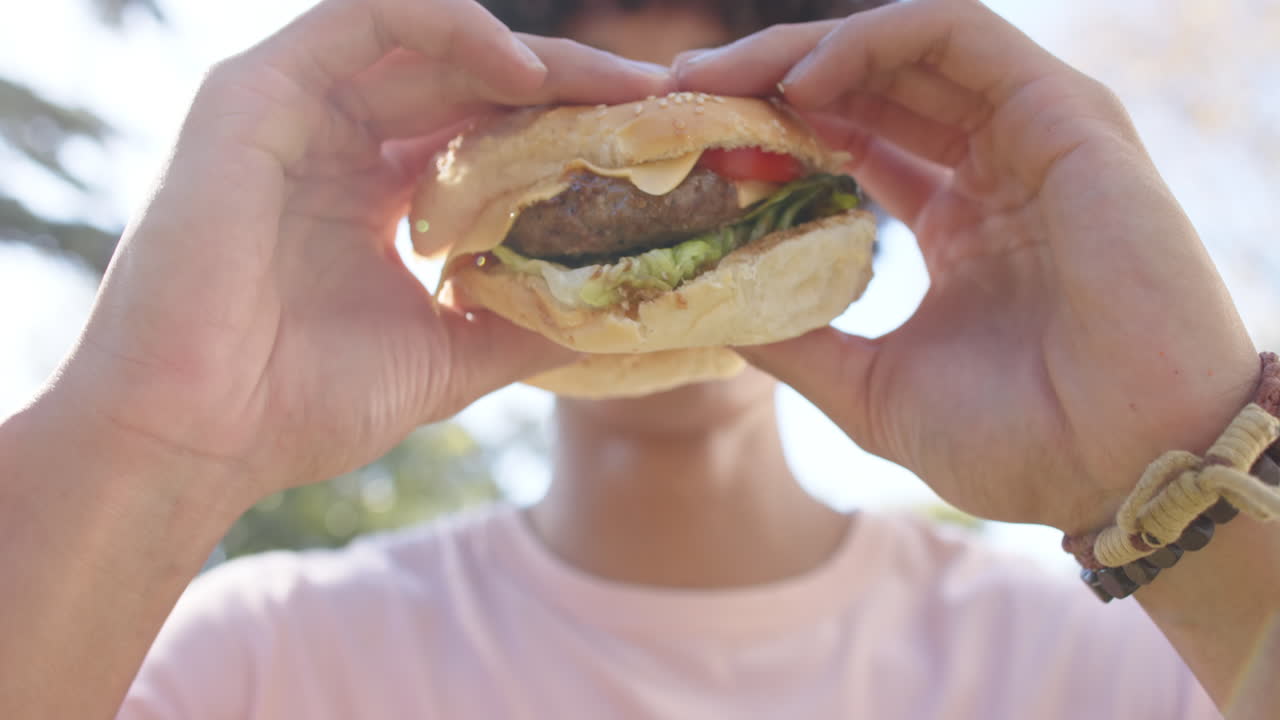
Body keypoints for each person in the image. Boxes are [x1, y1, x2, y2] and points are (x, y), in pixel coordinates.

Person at [0, 0, 1275, 717]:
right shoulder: (247, 663)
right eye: (582, 116)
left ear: (854, 185)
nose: (645, 131)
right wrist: (149, 441)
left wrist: (1172, 469)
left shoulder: (1126, 668)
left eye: (709, 117)